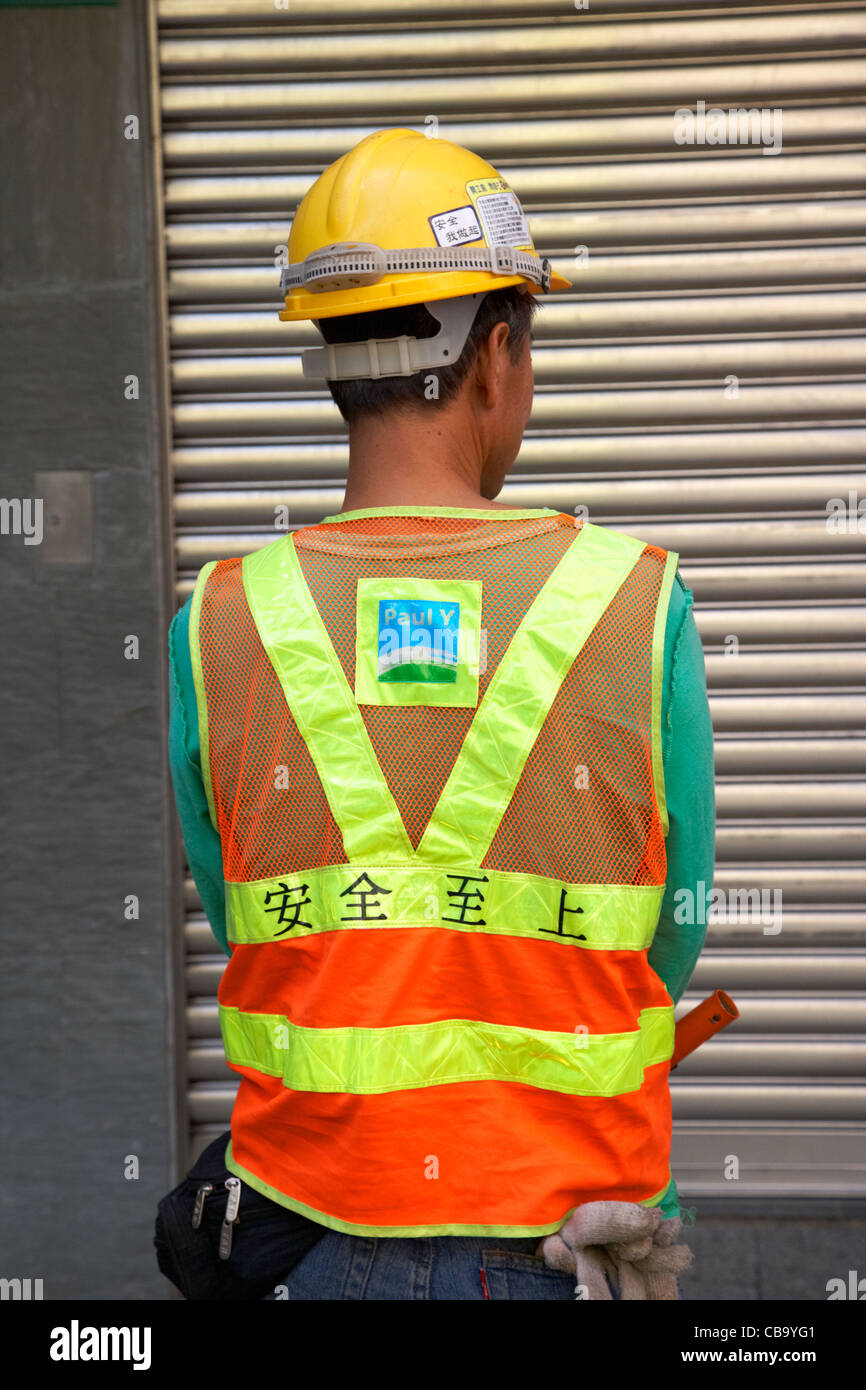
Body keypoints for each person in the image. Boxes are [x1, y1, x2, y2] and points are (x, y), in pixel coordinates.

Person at [166, 128, 715, 1300]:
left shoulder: (217, 622)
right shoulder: (633, 602)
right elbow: (671, 932)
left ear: (333, 359)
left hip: (301, 1231)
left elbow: (245, 914)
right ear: (495, 355)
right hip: (572, 1240)